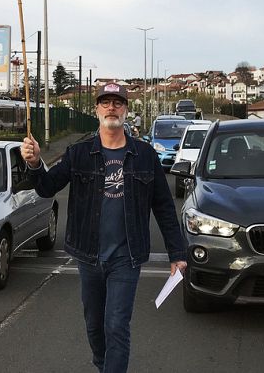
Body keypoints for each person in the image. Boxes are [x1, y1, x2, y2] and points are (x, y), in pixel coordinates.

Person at [21, 83, 186, 373]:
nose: (112, 108)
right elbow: (47, 187)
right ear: (97, 109)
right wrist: (35, 163)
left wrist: (177, 253)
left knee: (117, 325)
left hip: (127, 257)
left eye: (118, 103)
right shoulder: (79, 153)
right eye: (106, 102)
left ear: (126, 110)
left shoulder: (145, 155)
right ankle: (103, 365)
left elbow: (163, 207)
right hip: (89, 255)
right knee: (94, 326)